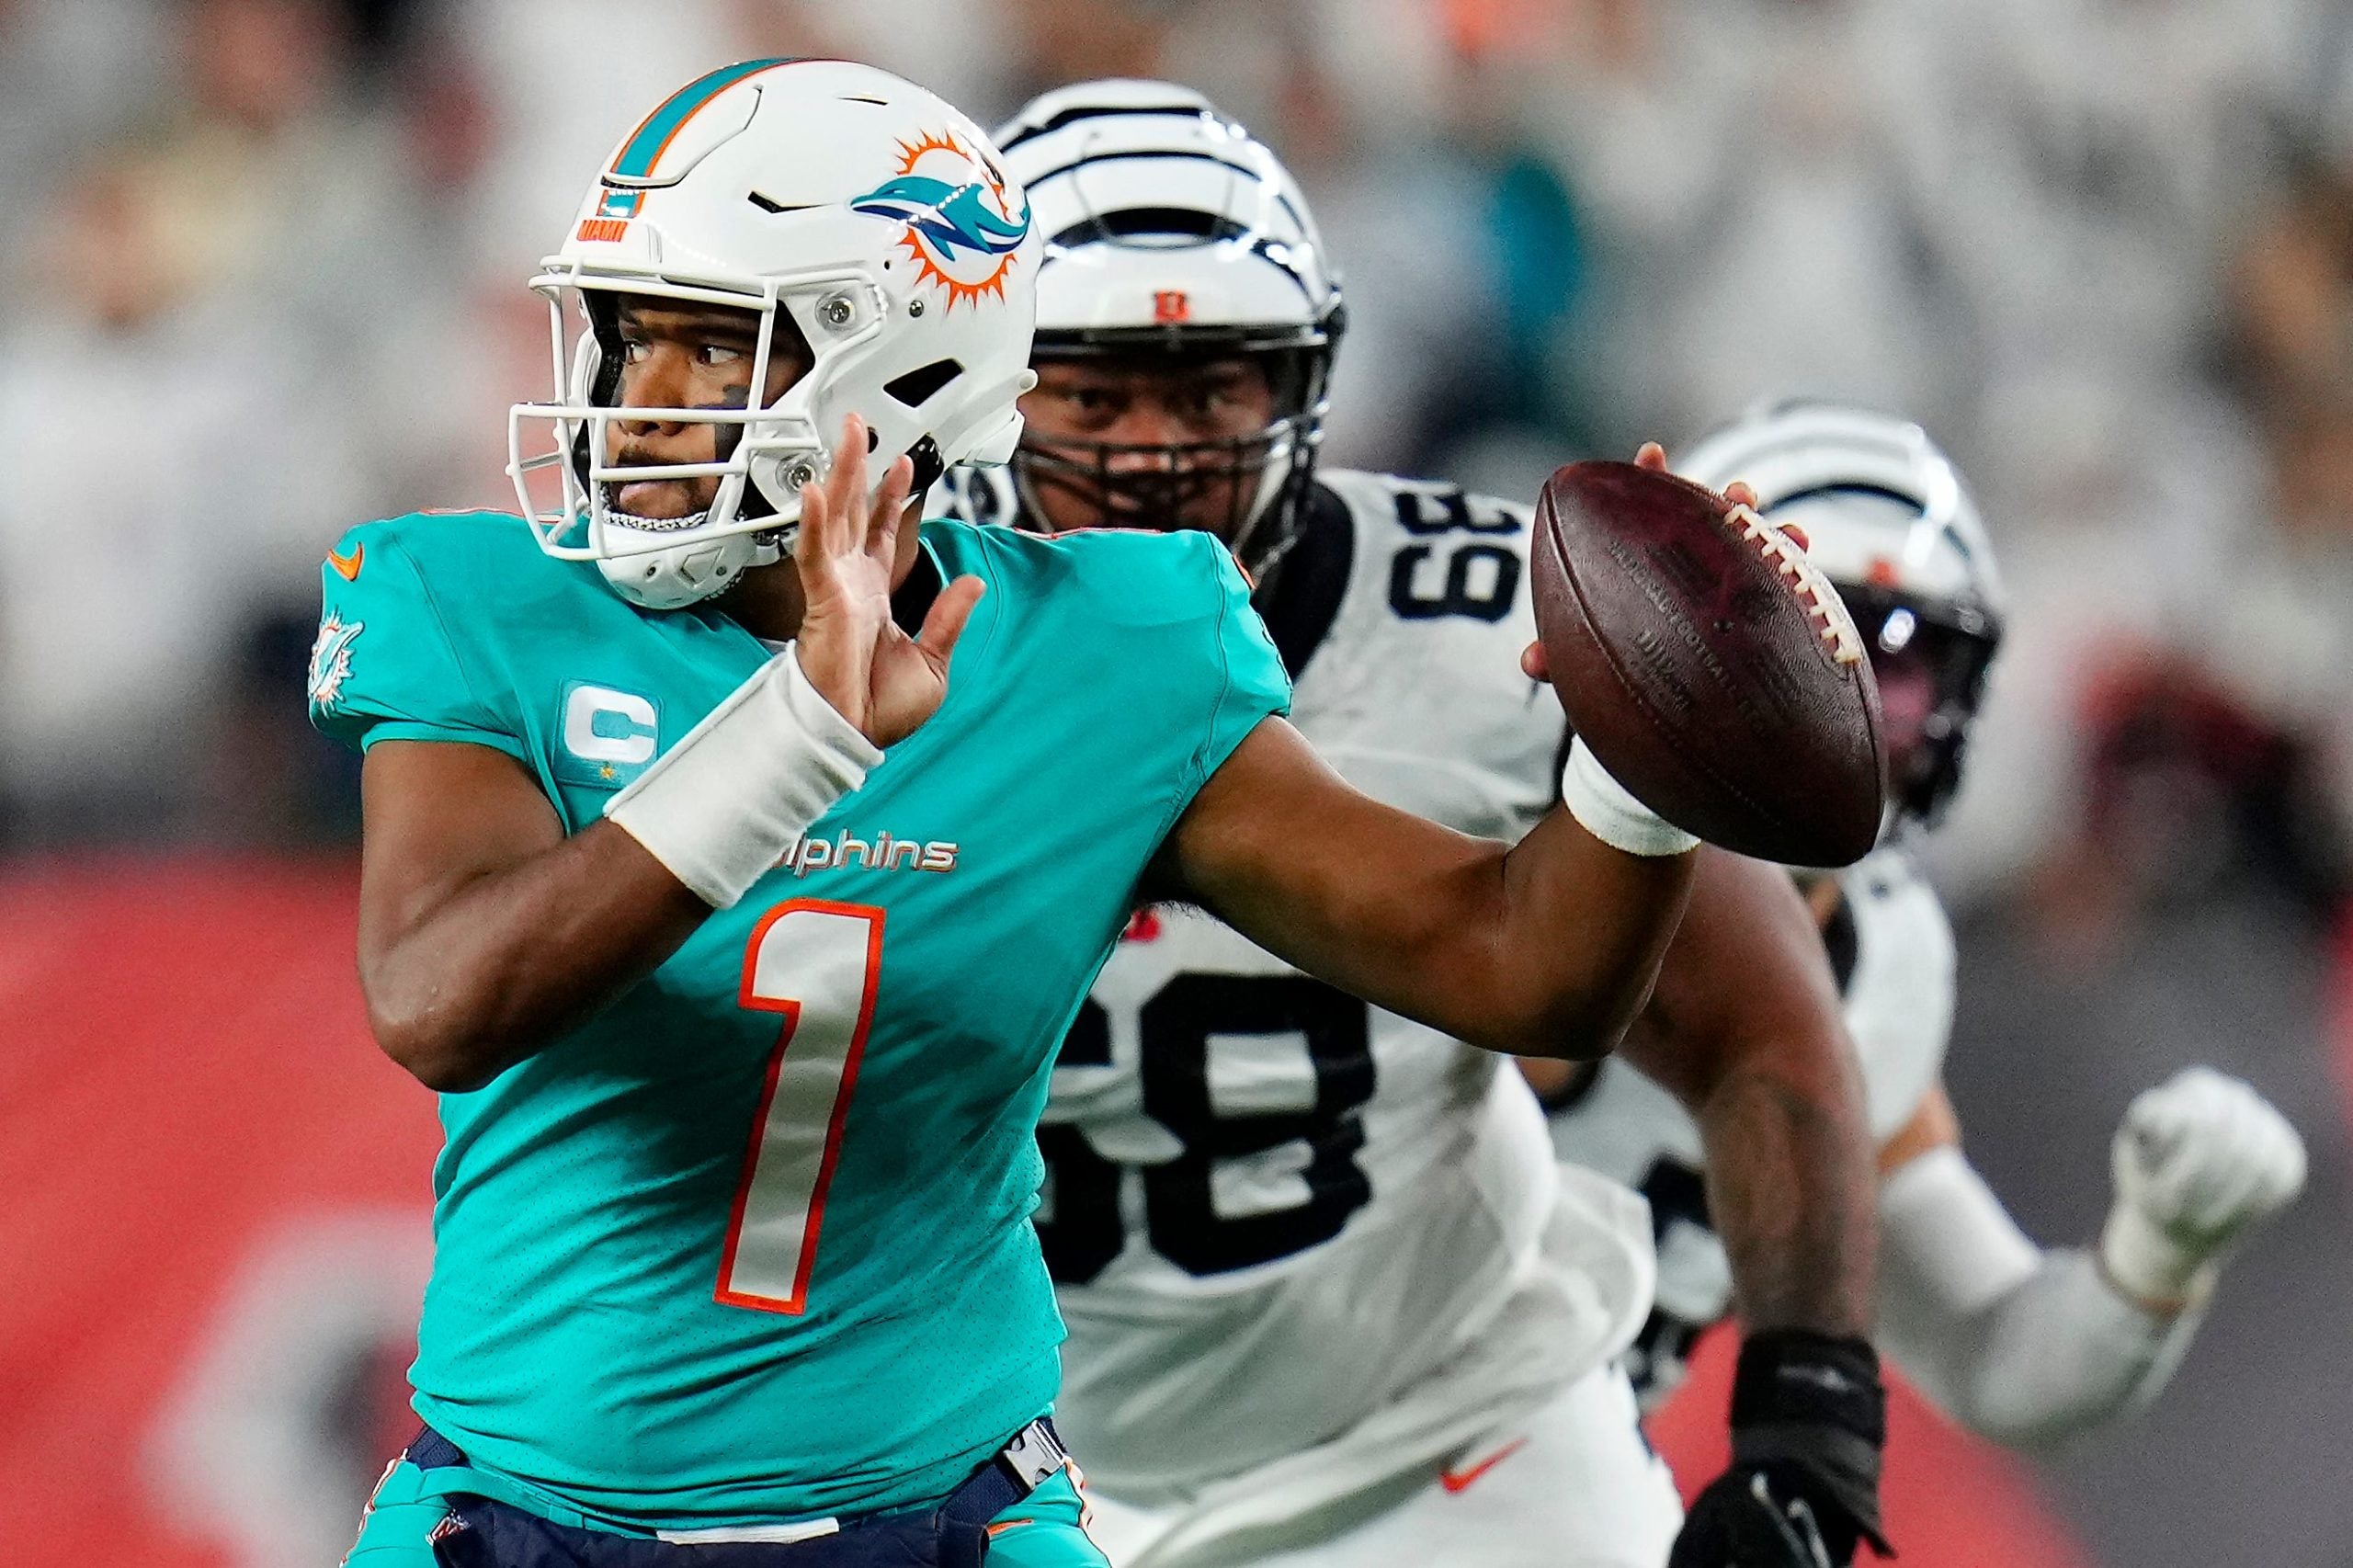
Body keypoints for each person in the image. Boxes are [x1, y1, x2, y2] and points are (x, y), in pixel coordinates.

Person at [318, 60, 1836, 1568]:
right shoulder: (480, 601)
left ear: (897, 368)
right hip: (523, 1510)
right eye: (629, 338)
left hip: (942, 1511)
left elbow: (1522, 969)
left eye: (714, 354)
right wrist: (801, 732)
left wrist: (1641, 756)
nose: (636, 409)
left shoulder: (1108, 646)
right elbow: (444, 996)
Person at [939, 80, 1889, 1568]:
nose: (1153, 453)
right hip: (1001, 1477)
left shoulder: (1491, 628)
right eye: (1094, 391)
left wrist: (1808, 1420)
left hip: (1446, 1437)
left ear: (1301, 389)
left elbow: (1753, 1021)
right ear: (980, 383)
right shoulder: (869, 664)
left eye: (1209, 392)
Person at [1542, 398, 2311, 1452]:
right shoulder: (1496, 802)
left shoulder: (1878, 956)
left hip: (1536, 1483)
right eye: (1807, 638)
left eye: (1898, 668)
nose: (1844, 710)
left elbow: (1996, 1355)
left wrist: (2156, 1255)